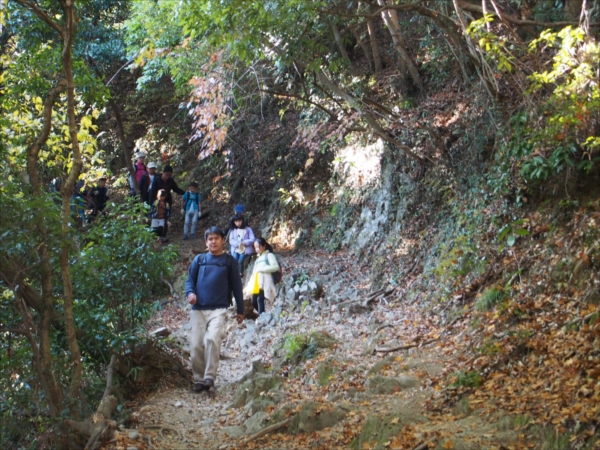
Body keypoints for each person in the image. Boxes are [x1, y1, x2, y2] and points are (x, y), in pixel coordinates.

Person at [185, 227, 244, 392]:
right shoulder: (200, 260)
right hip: (198, 309)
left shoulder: (229, 261)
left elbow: (237, 287)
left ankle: (209, 377)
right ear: (206, 242)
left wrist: (240, 309)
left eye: (216, 238)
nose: (213, 241)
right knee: (196, 344)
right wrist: (190, 293)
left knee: (212, 339)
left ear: (222, 240)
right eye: (210, 239)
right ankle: (198, 379)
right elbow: (189, 280)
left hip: (219, 308)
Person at [245, 237, 279, 315]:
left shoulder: (269, 255)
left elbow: (275, 267)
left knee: (260, 300)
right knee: (253, 301)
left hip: (264, 282)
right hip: (256, 283)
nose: (257, 249)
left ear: (264, 246)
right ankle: (262, 315)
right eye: (255, 247)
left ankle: (262, 317)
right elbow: (254, 273)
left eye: (258, 246)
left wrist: (263, 269)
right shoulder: (257, 259)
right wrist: (248, 285)